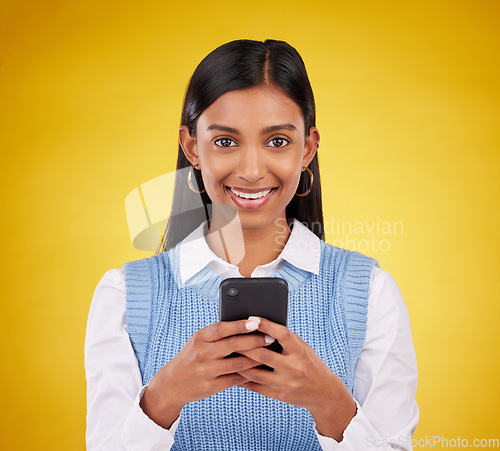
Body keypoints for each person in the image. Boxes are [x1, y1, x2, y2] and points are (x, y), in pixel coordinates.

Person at [84, 39, 419, 450]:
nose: (252, 170)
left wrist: (330, 404)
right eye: (226, 141)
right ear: (192, 147)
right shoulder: (124, 296)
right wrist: (163, 398)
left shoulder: (368, 292)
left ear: (307, 149)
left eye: (277, 141)